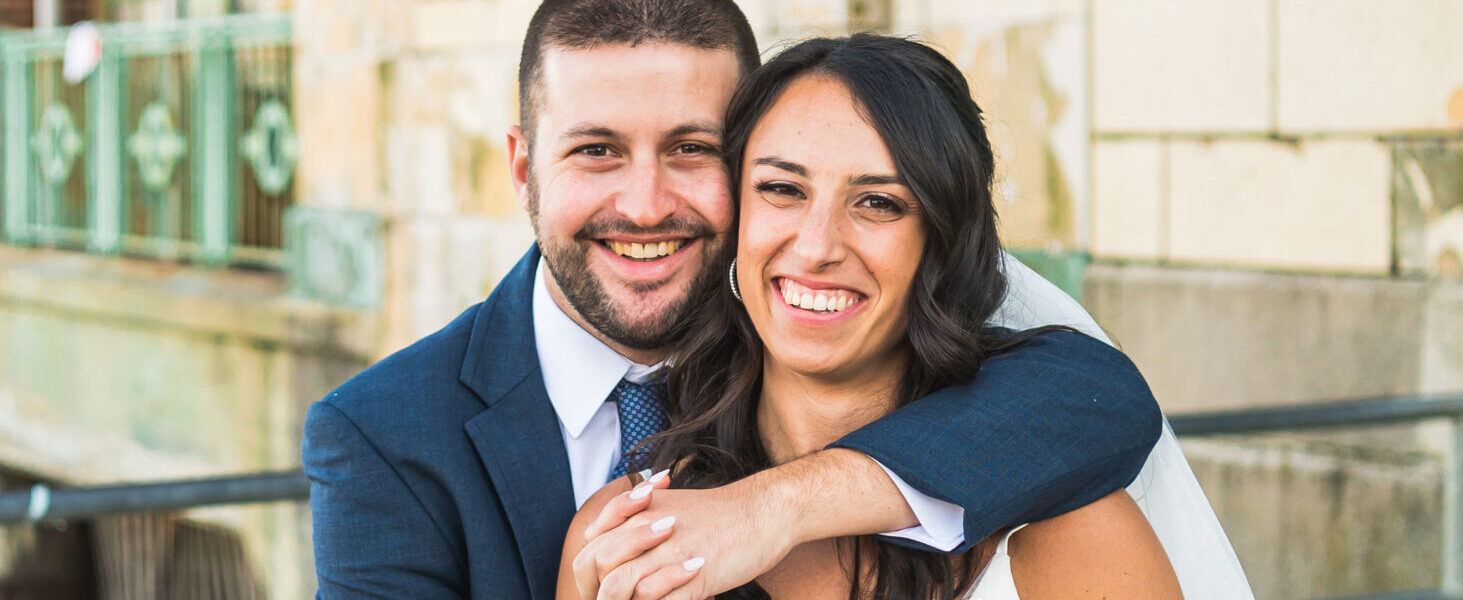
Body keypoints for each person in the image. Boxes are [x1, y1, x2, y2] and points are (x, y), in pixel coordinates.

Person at [303, 1, 1225, 598]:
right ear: (521, 167)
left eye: (691, 149)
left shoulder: (1032, 430)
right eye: (595, 150)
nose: (645, 205)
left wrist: (771, 507)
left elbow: (1096, 400)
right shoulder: (386, 439)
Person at [557, 34, 1188, 600]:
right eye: (782, 189)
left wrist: (767, 509)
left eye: (879, 203)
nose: (816, 247)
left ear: (941, 245)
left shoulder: (1071, 535)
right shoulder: (624, 534)